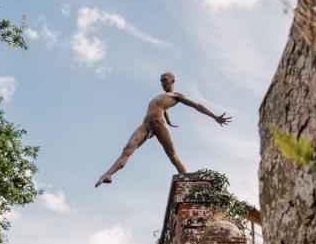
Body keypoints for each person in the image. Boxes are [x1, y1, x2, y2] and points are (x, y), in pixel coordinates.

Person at [95, 72, 231, 187]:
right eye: (161, 81)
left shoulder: (176, 95)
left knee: (172, 155)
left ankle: (188, 182)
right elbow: (164, 109)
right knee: (128, 149)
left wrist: (214, 116)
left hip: (158, 123)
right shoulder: (160, 96)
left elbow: (196, 105)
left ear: (172, 81)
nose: (162, 83)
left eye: (165, 80)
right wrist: (170, 121)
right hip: (145, 125)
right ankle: (108, 174)